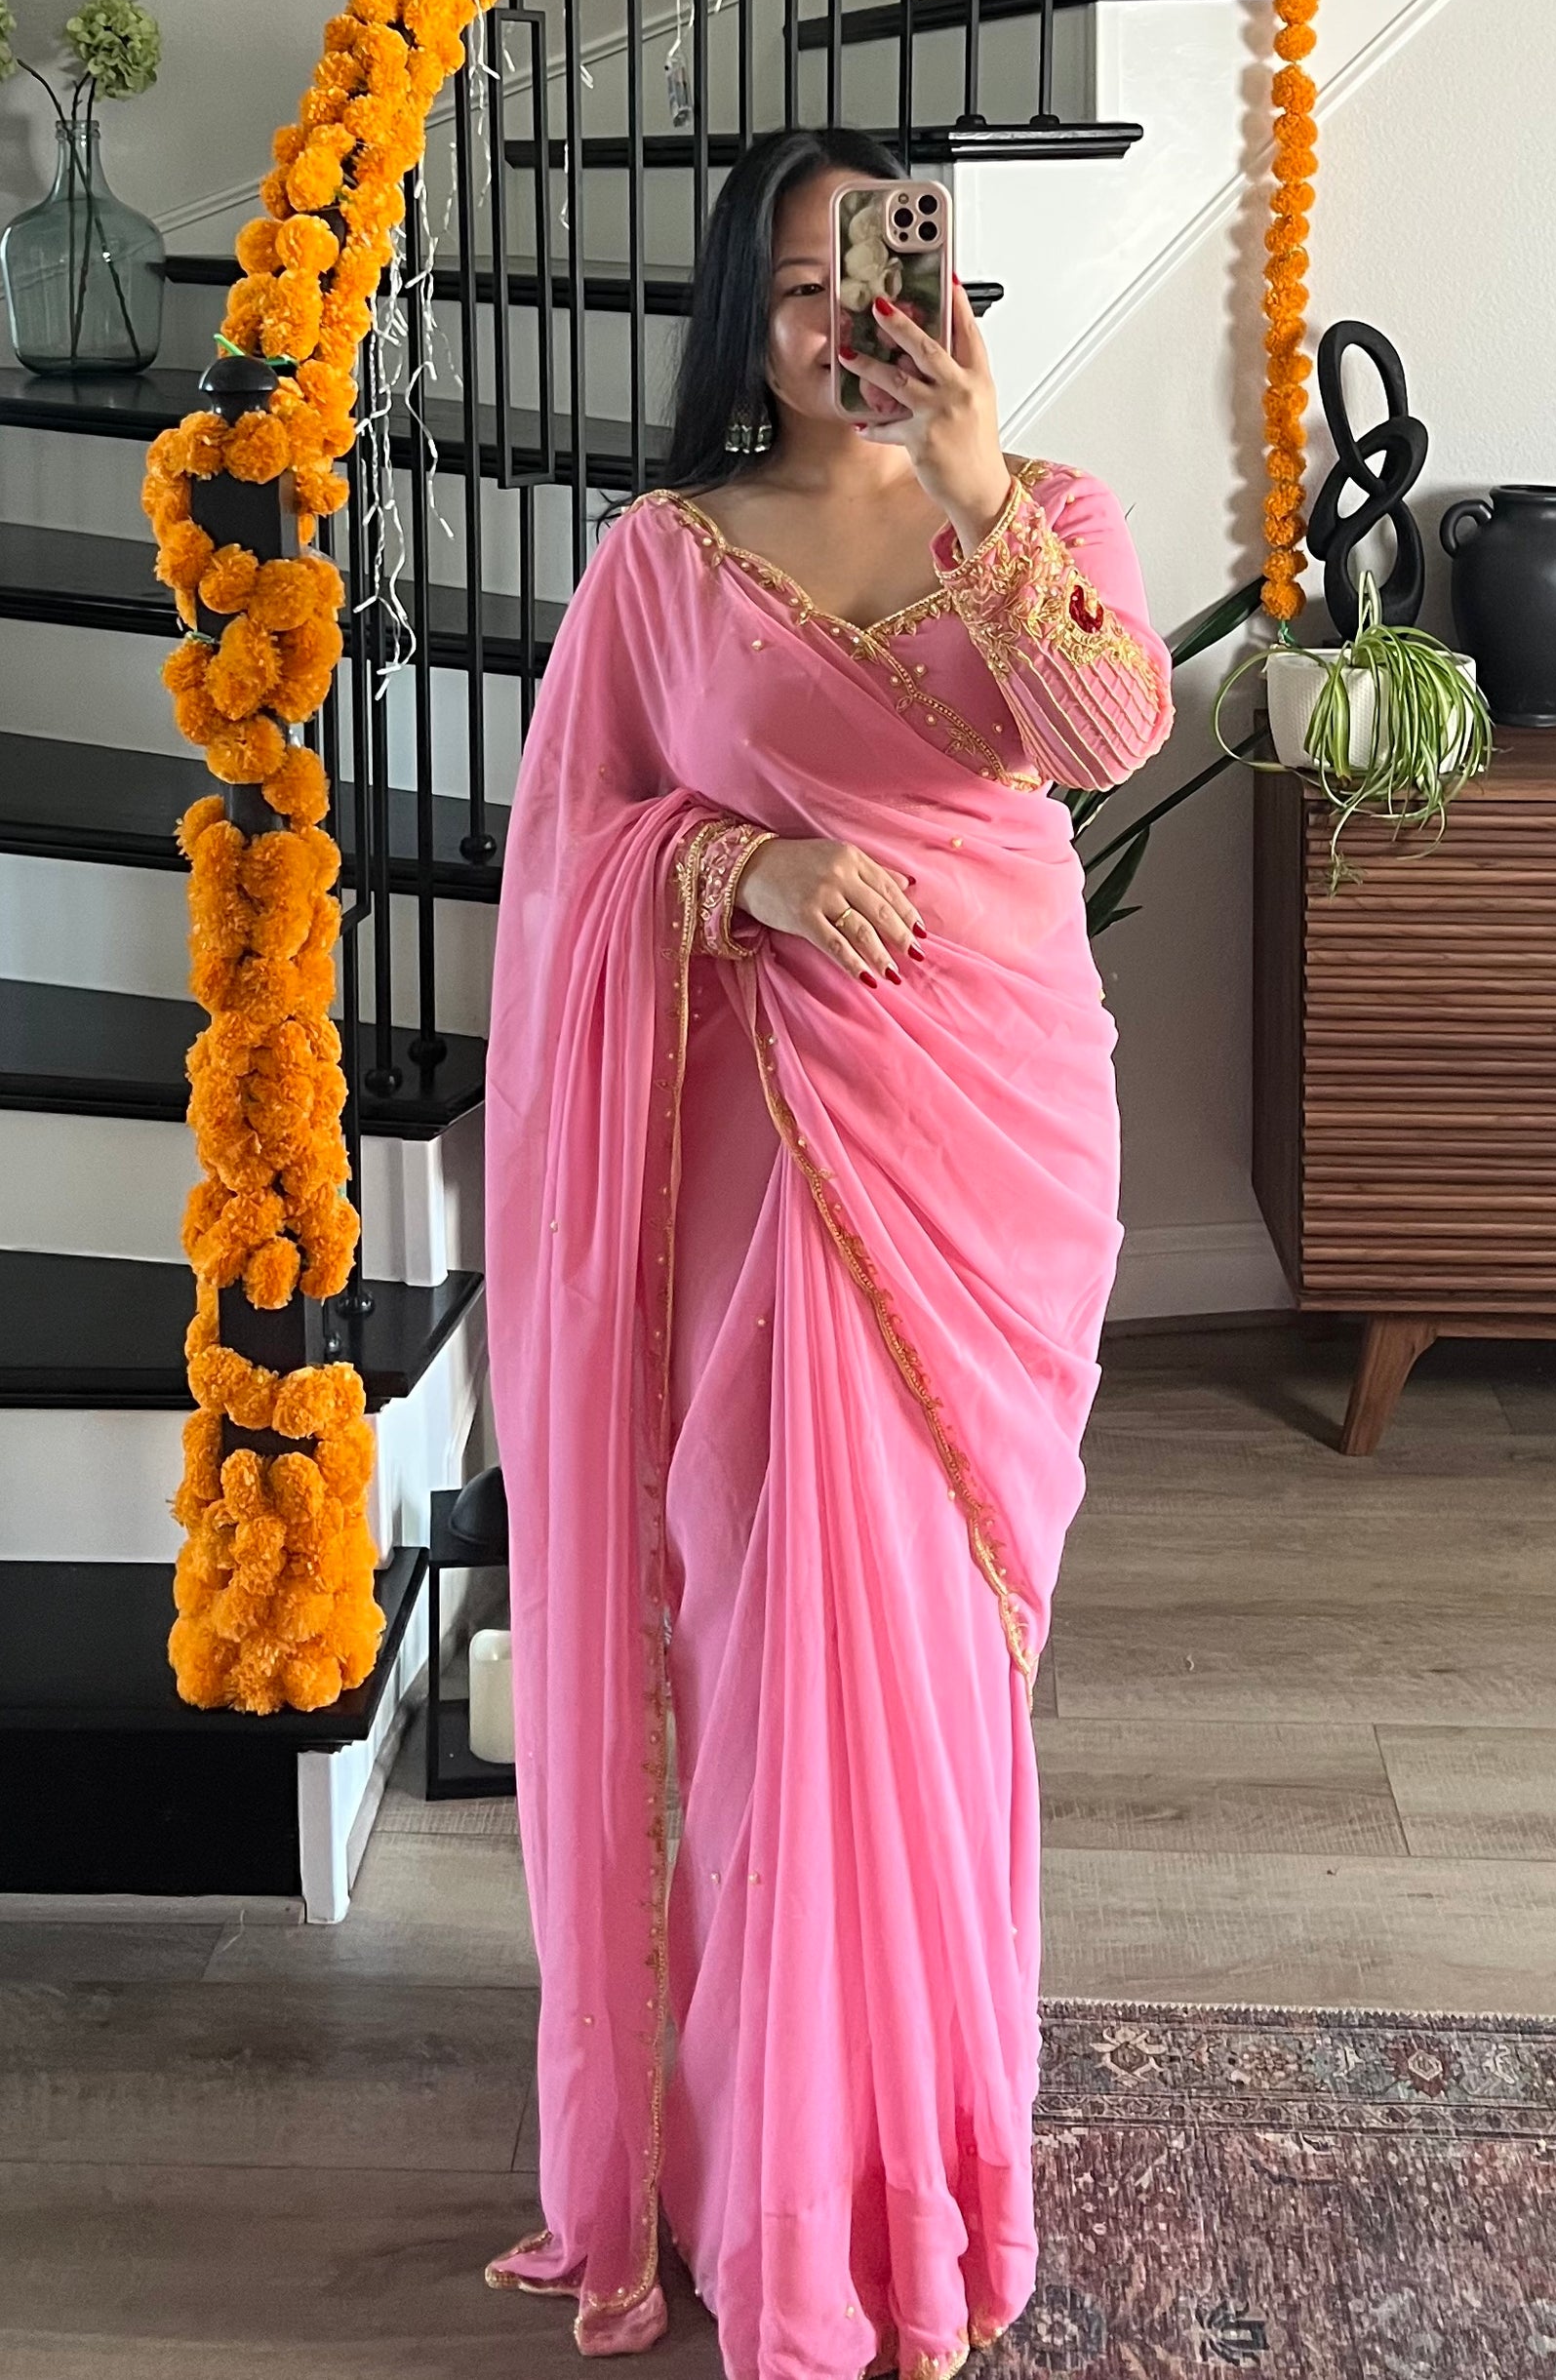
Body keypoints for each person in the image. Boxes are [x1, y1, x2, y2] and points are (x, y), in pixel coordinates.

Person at [482, 124, 1174, 2380]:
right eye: (795, 283)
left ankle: (922, 2179)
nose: (836, 318)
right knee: (777, 1655)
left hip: (991, 1141)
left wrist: (973, 484)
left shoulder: (1048, 509)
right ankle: (784, 2190)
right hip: (762, 1156)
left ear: (939, 280)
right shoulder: (661, 561)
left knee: (936, 1674)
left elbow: (1104, 736)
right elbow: (567, 857)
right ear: (739, 313)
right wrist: (741, 869)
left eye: (873, 268)